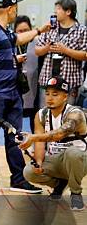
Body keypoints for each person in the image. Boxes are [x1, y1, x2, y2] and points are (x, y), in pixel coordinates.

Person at [0, 0, 50, 195]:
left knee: (15, 138)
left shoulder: (5, 31)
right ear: (10, 8)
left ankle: (18, 179)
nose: (16, 12)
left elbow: (18, 39)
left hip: (13, 95)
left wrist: (39, 30)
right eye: (15, 8)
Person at [20, 76, 86, 211]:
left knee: (72, 153)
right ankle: (60, 184)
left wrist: (34, 137)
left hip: (80, 159)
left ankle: (76, 193)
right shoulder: (41, 114)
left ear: (65, 97)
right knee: (29, 172)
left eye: (55, 94)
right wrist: (38, 162)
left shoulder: (75, 114)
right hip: (56, 160)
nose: (50, 98)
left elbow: (59, 134)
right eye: (47, 93)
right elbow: (40, 144)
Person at [35, 0, 87, 106]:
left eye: (58, 9)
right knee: (46, 117)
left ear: (68, 12)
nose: (55, 12)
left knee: (67, 118)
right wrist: (47, 48)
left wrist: (65, 50)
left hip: (69, 83)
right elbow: (37, 51)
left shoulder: (82, 30)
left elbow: (85, 55)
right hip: (47, 81)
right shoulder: (49, 28)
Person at [14, 15, 40, 133]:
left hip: (34, 84)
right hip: (16, 84)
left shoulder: (38, 42)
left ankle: (36, 145)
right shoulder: (11, 43)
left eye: (26, 30)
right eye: (20, 31)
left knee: (35, 117)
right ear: (14, 31)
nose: (23, 33)